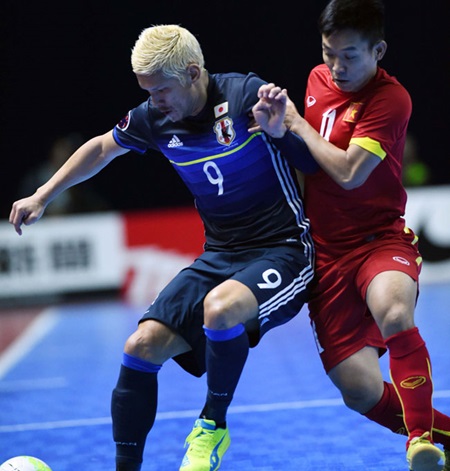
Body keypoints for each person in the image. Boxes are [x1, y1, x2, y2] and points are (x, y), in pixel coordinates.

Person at [9, 25, 318, 471]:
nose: (154, 102)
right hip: (220, 255)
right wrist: (43, 194)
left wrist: (281, 130)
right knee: (140, 345)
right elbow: (100, 148)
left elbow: (310, 162)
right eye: (147, 92)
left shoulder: (248, 94)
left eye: (161, 91)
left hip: (284, 249)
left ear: (193, 73)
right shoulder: (153, 119)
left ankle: (212, 427)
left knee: (220, 308)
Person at [251, 0, 450, 470]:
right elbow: (306, 160)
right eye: (328, 53)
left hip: (380, 239)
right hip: (326, 254)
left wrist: (296, 122)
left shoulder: (391, 99)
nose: (337, 67)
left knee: (395, 311)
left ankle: (420, 440)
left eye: (350, 56)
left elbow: (348, 172)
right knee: (358, 391)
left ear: (378, 50)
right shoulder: (317, 79)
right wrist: (278, 130)